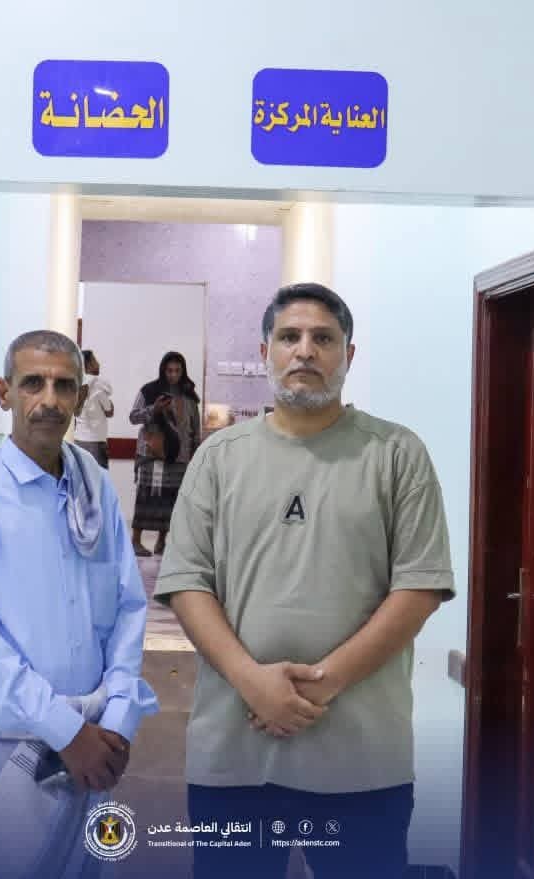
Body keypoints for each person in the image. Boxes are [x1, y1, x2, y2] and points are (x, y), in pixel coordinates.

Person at [155, 283, 455, 879]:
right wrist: (253, 683)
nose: (305, 350)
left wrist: (319, 686)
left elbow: (419, 590)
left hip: (361, 760)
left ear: (349, 354)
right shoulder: (218, 458)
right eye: (289, 337)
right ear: (265, 350)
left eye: (324, 338)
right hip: (234, 755)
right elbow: (188, 583)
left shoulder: (397, 454)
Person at [0, 330, 158, 879]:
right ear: (4, 392)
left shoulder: (94, 485)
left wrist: (118, 718)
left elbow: (128, 606)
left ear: (81, 396)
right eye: (33, 383)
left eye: (64, 386)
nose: (49, 400)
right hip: (8, 743)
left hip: (97, 742)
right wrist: (66, 732)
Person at [129, 351, 201, 557]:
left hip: (179, 456)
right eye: (169, 370)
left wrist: (195, 453)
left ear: (183, 371)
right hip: (152, 454)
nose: (173, 375)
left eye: (177, 370)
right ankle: (136, 541)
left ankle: (161, 542)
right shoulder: (150, 391)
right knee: (146, 498)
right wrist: (154, 409)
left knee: (172, 501)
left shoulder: (189, 395)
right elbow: (133, 417)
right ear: (163, 370)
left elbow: (194, 428)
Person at [74, 348, 114, 469]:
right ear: (89, 364)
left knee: (82, 476)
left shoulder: (76, 383)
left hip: (79, 440)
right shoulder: (99, 385)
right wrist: (111, 404)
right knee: (98, 477)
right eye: (95, 360)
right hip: (96, 442)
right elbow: (109, 411)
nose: (98, 364)